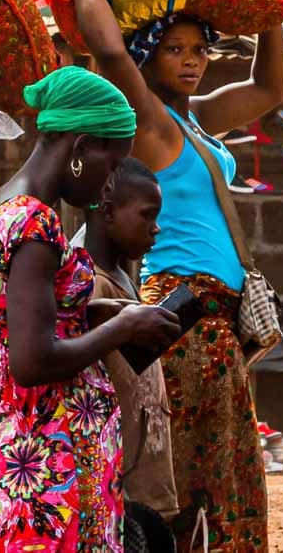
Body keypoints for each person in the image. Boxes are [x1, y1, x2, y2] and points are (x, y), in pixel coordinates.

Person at [63, 0, 283, 550]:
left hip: (216, 327)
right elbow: (107, 50)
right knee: (186, 482)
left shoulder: (200, 122)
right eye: (175, 50)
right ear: (147, 56)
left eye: (200, 51)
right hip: (179, 317)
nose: (192, 62)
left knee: (222, 481)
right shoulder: (154, 127)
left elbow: (271, 87)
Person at [0, 66, 181, 553]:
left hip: (14, 444)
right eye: (111, 164)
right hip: (59, 455)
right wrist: (124, 325)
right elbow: (32, 361)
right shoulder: (35, 225)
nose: (108, 186)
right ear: (81, 149)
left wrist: (88, 314)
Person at [78, 158, 179, 525]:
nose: (156, 228)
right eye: (147, 215)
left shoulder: (123, 278)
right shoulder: (91, 284)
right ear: (107, 212)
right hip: (118, 478)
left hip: (143, 473)